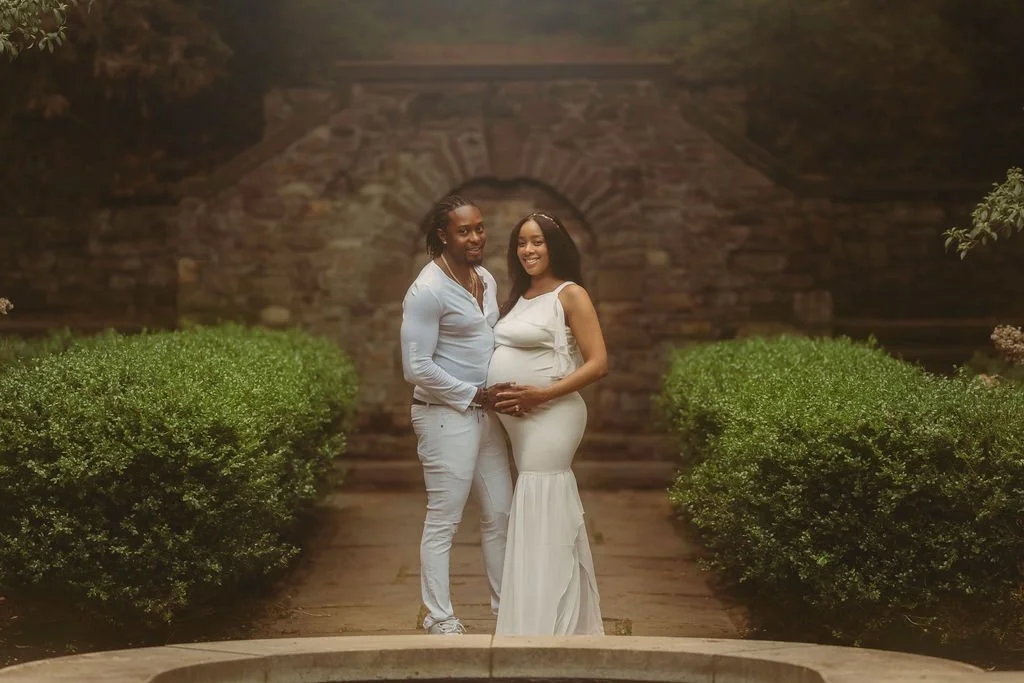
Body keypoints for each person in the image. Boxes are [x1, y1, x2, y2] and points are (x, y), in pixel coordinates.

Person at [487, 211, 608, 635]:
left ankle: (550, 622)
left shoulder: (570, 294)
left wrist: (541, 394)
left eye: (537, 241)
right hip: (519, 422)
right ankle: (537, 615)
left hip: (554, 415)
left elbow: (598, 363)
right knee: (533, 503)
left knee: (543, 497)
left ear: (555, 246)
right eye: (521, 243)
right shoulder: (519, 296)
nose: (528, 250)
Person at [400, 194, 514, 635]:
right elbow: (416, 368)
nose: (475, 237)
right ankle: (439, 617)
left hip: (485, 415)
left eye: (479, 228)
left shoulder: (485, 278)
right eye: (464, 231)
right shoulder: (427, 289)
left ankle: (506, 610)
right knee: (444, 519)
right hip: (443, 415)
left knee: (501, 513)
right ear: (443, 235)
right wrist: (474, 395)